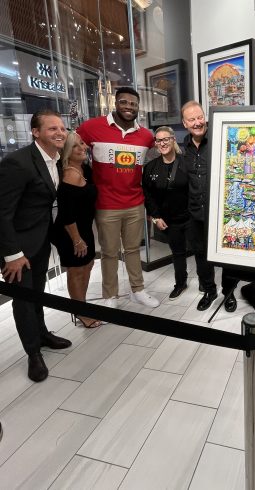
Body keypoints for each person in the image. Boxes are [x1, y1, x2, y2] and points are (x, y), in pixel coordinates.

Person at [0, 110, 72, 382]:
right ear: (35, 132)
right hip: (17, 250)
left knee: (37, 294)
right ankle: (33, 354)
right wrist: (12, 255)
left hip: (40, 241)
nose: (60, 133)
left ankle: (42, 335)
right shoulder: (17, 163)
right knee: (23, 300)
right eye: (52, 128)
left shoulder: (55, 160)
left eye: (62, 128)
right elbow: (2, 212)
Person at [77, 87, 159, 309]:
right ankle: (110, 295)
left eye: (133, 104)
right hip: (106, 204)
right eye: (124, 102)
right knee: (109, 252)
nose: (129, 107)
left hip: (135, 203)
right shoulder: (91, 127)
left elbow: (156, 161)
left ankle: (138, 290)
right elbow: (72, 148)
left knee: (133, 249)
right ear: (115, 103)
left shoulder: (145, 136)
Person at [181, 101, 237, 312]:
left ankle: (228, 293)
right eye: (192, 119)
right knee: (201, 254)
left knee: (227, 256)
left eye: (199, 117)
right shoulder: (182, 149)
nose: (197, 122)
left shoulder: (221, 139)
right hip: (194, 214)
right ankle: (209, 290)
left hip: (221, 214)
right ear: (185, 123)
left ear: (205, 117)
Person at [52, 132, 101, 328]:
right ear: (66, 152)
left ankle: (83, 306)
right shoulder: (69, 175)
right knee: (76, 271)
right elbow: (66, 215)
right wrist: (77, 240)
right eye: (75, 146)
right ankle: (80, 312)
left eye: (82, 144)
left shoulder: (84, 169)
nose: (82, 148)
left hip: (84, 228)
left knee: (87, 266)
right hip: (70, 232)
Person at [143, 126, 190, 300]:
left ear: (173, 140)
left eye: (166, 139)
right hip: (170, 220)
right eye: (159, 140)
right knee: (178, 253)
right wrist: (155, 217)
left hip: (190, 217)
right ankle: (180, 283)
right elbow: (148, 195)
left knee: (200, 251)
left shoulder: (186, 163)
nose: (163, 143)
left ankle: (206, 284)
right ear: (156, 144)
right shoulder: (151, 168)